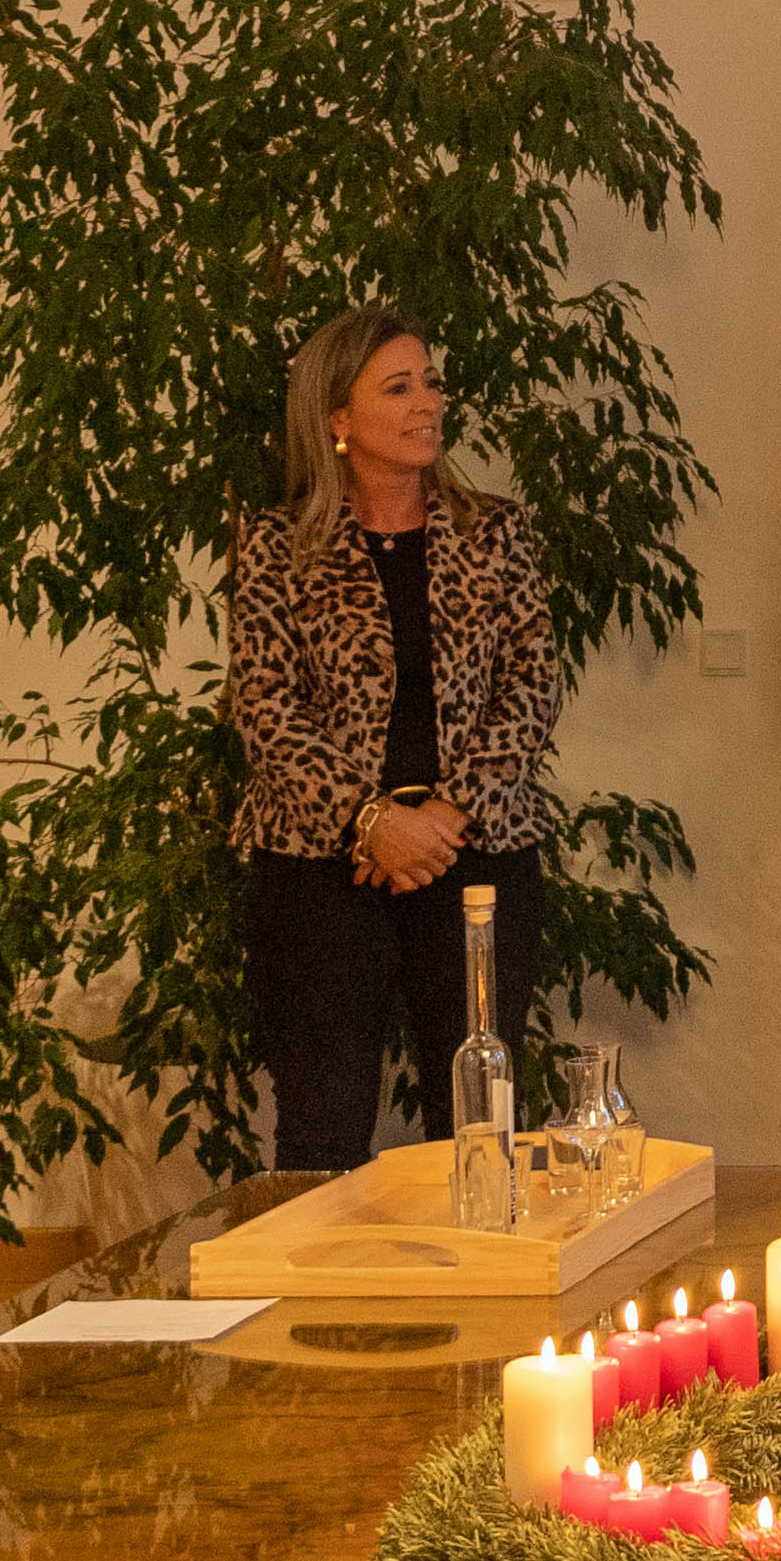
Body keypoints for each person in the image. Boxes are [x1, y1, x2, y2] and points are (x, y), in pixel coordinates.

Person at [225, 305, 566, 1173]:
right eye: (399, 386)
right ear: (337, 418)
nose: (429, 403)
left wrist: (448, 816)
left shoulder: (497, 532)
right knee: (323, 1128)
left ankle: (484, 1298)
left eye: (433, 382)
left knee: (480, 1127)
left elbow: (532, 681)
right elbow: (265, 704)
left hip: (476, 855)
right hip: (317, 866)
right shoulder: (274, 546)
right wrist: (370, 821)